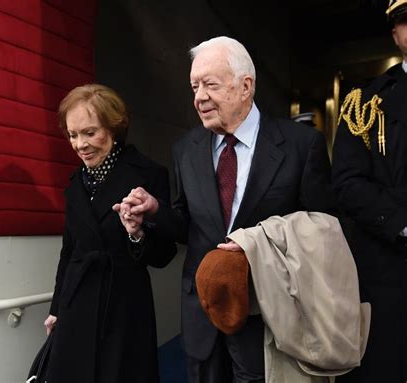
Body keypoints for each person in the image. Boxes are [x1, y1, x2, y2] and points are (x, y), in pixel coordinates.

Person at [115, 36, 334, 383]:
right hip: (203, 316)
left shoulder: (300, 146)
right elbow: (188, 225)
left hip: (268, 316)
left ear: (245, 86)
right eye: (194, 86)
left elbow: (322, 231)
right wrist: (155, 212)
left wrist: (259, 243)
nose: (199, 97)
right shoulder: (187, 148)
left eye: (210, 85)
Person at [43, 84, 177, 382]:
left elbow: (165, 253)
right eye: (73, 135)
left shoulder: (148, 174)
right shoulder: (76, 183)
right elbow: (69, 252)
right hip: (78, 302)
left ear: (114, 128)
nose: (80, 144)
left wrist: (137, 233)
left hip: (125, 306)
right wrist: (57, 308)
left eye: (90, 133)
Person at [332, 1, 407, 381]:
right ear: (395, 34)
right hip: (390, 271)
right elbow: (347, 182)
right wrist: (402, 224)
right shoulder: (365, 103)